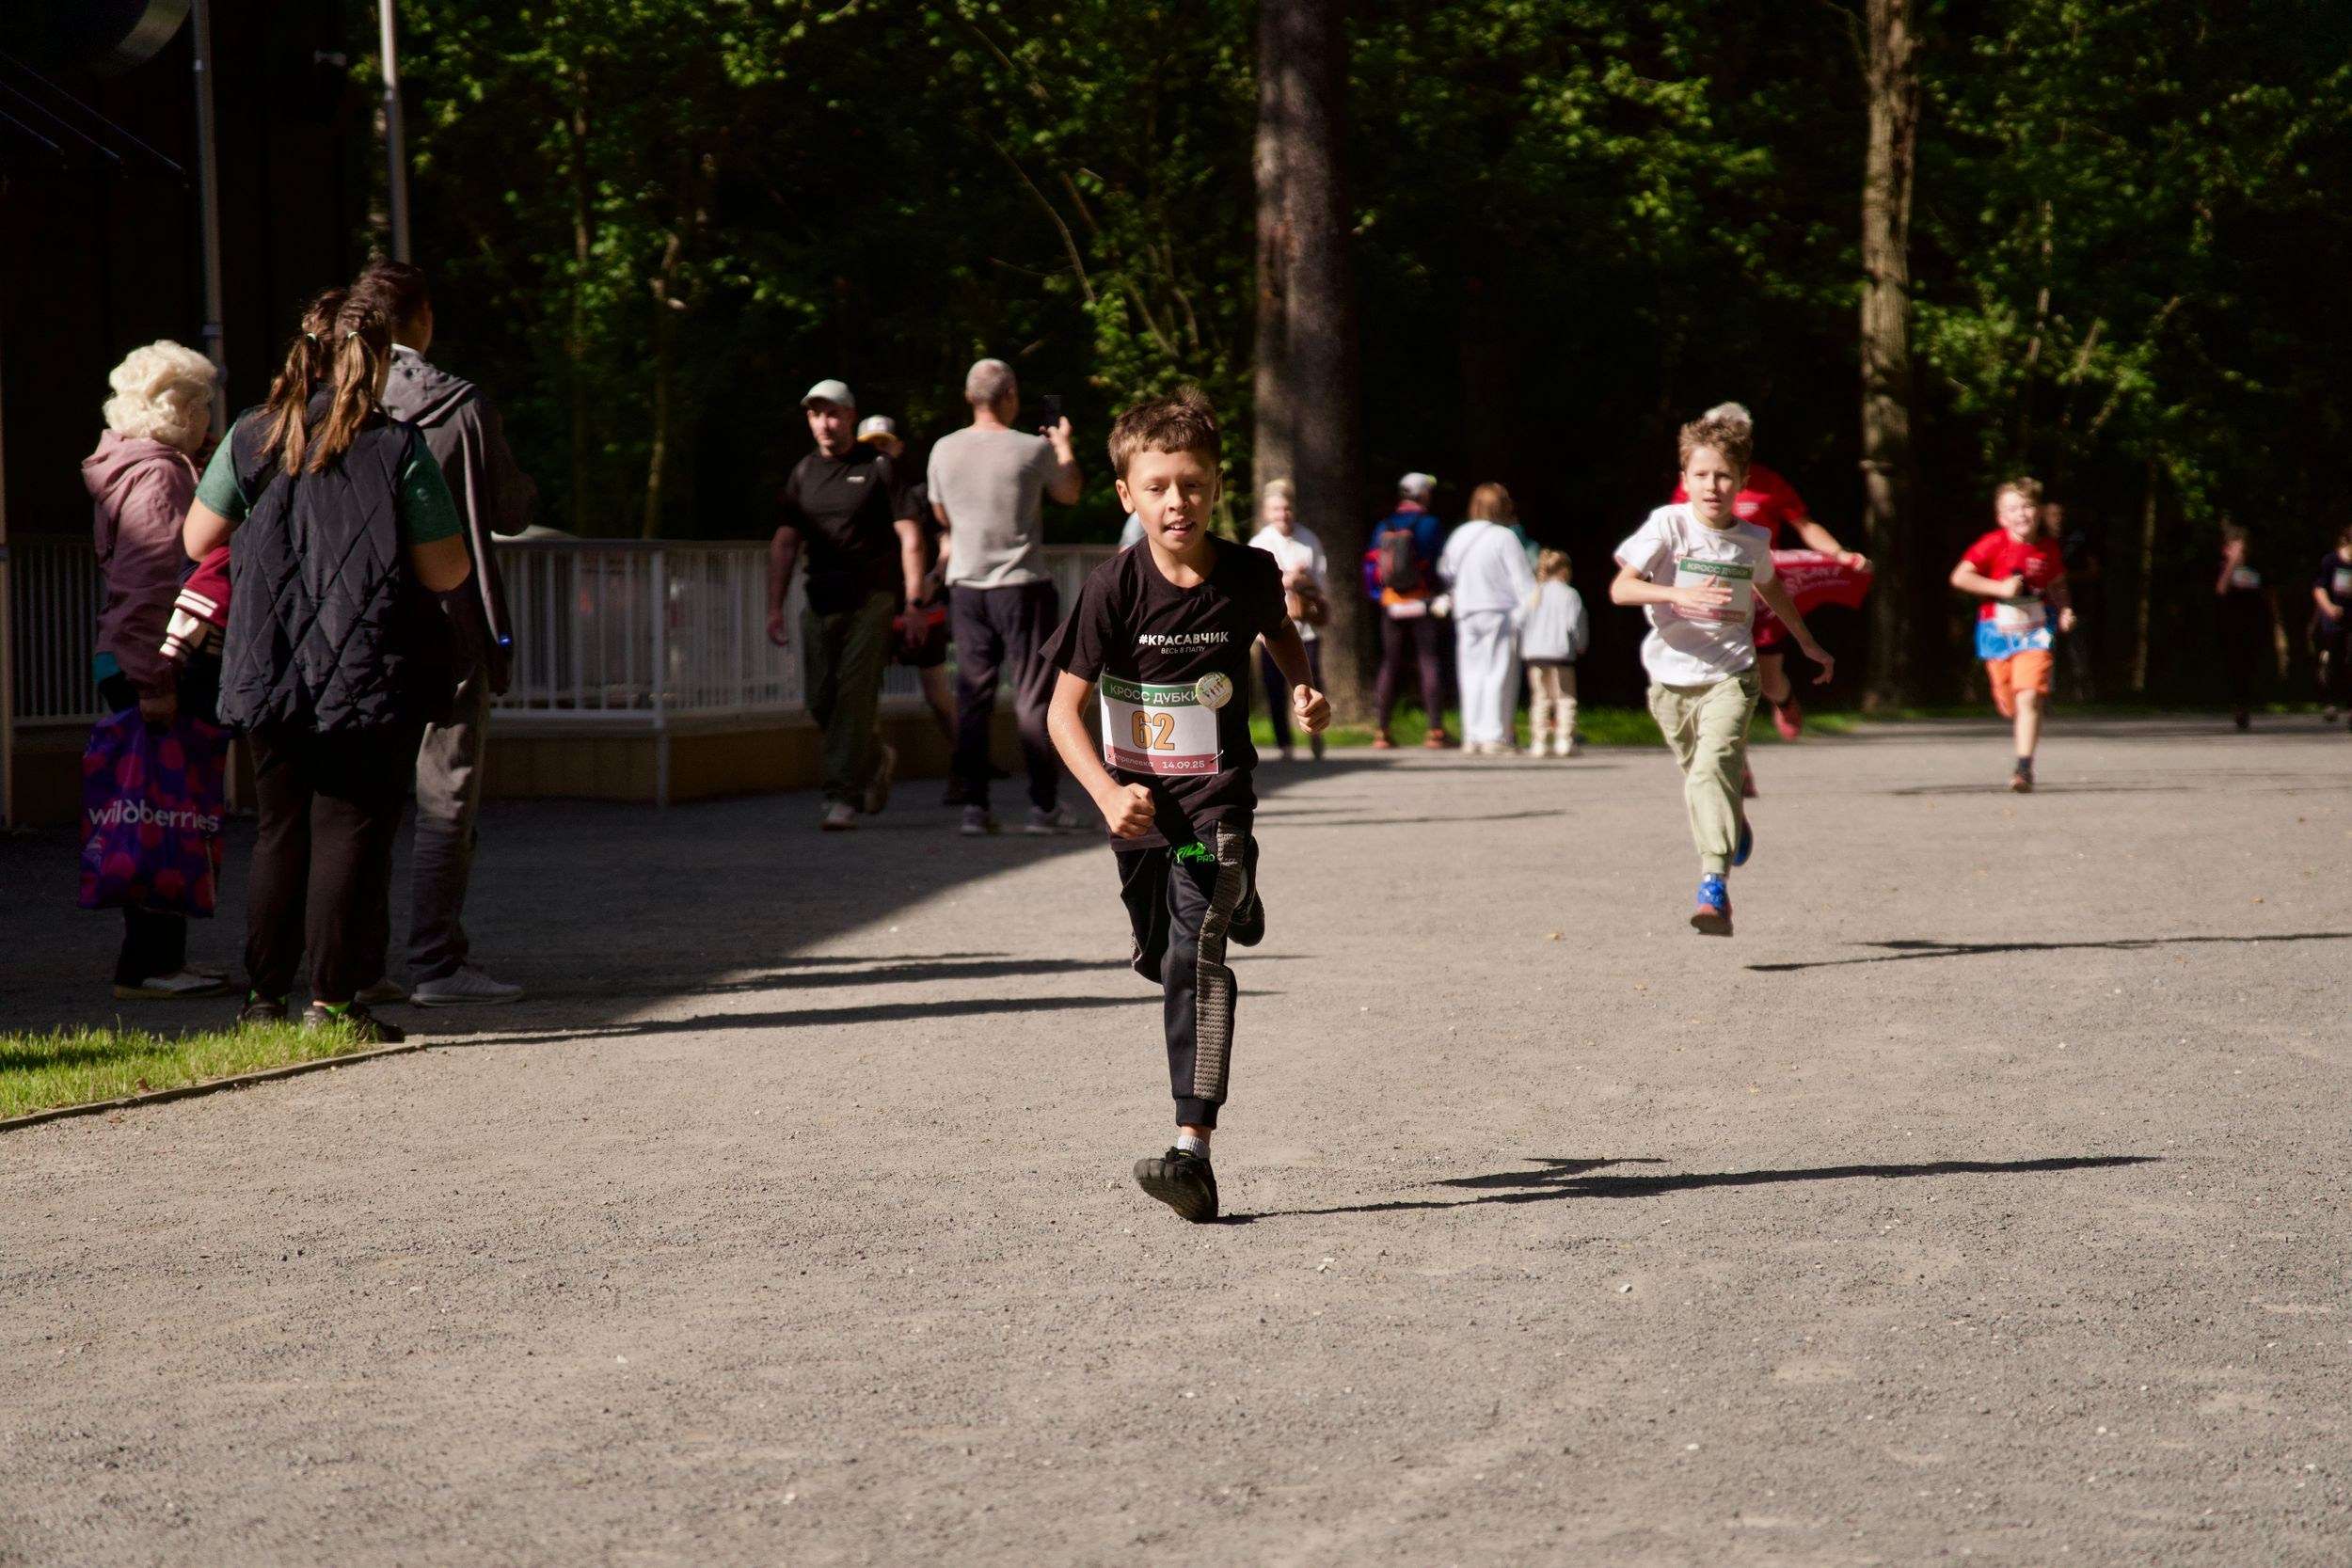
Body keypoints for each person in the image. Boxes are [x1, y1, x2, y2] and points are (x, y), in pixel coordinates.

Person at [1043, 388, 1328, 1224]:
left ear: (1216, 487)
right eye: (1159, 485)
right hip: (1140, 816)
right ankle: (1234, 893)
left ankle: (1191, 1150)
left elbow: (1277, 628)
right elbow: (1062, 711)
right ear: (1127, 493)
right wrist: (1105, 794)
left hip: (1214, 808)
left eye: (1194, 484)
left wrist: (1302, 685)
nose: (1178, 501)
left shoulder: (1248, 572)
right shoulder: (1113, 589)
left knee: (1192, 961)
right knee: (1155, 949)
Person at [183, 292, 474, 1044]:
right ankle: (334, 1002)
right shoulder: (397, 447)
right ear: (375, 358)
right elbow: (446, 572)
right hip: (368, 664)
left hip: (267, 659)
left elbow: (196, 537)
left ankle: (261, 1000)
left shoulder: (252, 433)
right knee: (349, 830)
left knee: (280, 831)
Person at [347, 258, 537, 1007]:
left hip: (350, 624)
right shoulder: (460, 406)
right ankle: (436, 960)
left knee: (356, 798)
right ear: (422, 315)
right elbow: (509, 509)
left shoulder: (332, 401)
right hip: (448, 619)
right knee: (444, 794)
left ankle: (352, 965)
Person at [1613, 412, 1833, 936]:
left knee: (1712, 770)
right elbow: (1621, 589)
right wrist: (1676, 594)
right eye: (1703, 475)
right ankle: (1732, 825)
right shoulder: (1667, 524)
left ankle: (1714, 887)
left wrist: (1806, 641)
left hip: (1732, 674)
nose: (1714, 486)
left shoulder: (1753, 539)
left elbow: (1771, 586)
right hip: (1669, 681)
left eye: (1725, 476)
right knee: (1701, 778)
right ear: (1685, 478)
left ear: (1743, 480)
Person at [83, 339, 230, 1000]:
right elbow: (151, 584)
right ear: (181, 411)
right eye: (202, 405)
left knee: (149, 802)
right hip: (153, 658)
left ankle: (157, 956)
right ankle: (150, 962)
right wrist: (157, 681)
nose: (210, 419)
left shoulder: (125, 465)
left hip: (123, 652)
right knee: (163, 806)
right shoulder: (163, 474)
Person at [928, 357, 1083, 836]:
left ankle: (975, 806)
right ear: (1011, 395)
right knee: (1033, 698)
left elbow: (941, 513)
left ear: (969, 398)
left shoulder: (942, 450)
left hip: (967, 587)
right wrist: (1064, 448)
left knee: (973, 696)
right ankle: (1044, 807)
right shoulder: (1032, 449)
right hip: (1022, 587)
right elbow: (1070, 493)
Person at [765, 379, 926, 831]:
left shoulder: (877, 467)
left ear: (851, 417)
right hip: (819, 600)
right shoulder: (802, 473)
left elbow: (910, 535)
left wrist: (913, 601)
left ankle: (842, 797)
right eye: (816, 414)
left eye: (833, 414)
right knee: (820, 699)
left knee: (855, 698)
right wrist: (774, 607)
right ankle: (874, 757)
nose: (825, 423)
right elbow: (784, 543)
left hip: (870, 601)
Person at [1668, 403, 1867, 739]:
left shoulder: (1768, 483)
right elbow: (1677, 530)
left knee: (1768, 677)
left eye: (1737, 437)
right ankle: (1733, 754)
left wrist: (1839, 554)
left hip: (1763, 589)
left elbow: (1805, 525)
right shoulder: (1697, 481)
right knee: (1722, 673)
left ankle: (1784, 700)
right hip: (1716, 587)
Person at [857, 415, 961, 796]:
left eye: (884, 444)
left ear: (899, 448)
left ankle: (965, 766)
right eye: (870, 445)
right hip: (872, 607)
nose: (878, 452)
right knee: (860, 692)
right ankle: (872, 763)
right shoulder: (855, 493)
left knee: (937, 694)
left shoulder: (917, 493)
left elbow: (949, 540)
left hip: (922, 607)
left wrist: (932, 581)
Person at [1948, 477, 2074, 794]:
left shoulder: (2048, 549)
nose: (2022, 514)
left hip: (2035, 632)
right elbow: (1960, 576)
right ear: (2001, 517)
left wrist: (2064, 610)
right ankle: (2015, 713)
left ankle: (2023, 768)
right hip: (1996, 632)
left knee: (2029, 695)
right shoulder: (1992, 544)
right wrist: (1999, 588)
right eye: (2013, 509)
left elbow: (2058, 584)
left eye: (2028, 506)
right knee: (2010, 701)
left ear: (2039, 512)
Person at [1437, 483, 1537, 754]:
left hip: (1467, 611)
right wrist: (1526, 615)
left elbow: (1445, 570)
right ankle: (1494, 735)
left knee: (1470, 674)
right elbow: (1524, 583)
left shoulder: (1460, 535)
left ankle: (1472, 735)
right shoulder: (1504, 537)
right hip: (1500, 612)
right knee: (1499, 673)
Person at [1247, 478, 1329, 761]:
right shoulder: (1260, 543)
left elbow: (1322, 581)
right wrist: (1285, 577)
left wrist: (1305, 580)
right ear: (1267, 512)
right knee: (1275, 688)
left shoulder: (1308, 539)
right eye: (1277, 509)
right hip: (1271, 630)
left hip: (1305, 627)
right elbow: (1253, 585)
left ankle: (1315, 732)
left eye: (1288, 508)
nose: (1284, 514)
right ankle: (1284, 743)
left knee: (1310, 683)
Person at [1368, 471, 1449, 749]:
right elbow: (1443, 566)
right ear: (1424, 494)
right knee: (1428, 661)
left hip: (1391, 603)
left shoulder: (1383, 525)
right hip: (1422, 601)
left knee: (1389, 664)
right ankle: (1435, 732)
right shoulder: (1430, 525)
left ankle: (1382, 732)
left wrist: (1380, 595)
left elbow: (1371, 566)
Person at [2215, 520, 2283, 731]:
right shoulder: (2222, 568)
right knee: (2233, 666)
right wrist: (2232, 564)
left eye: (2243, 547)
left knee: (2249, 666)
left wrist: (2277, 623)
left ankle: (2244, 705)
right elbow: (2221, 589)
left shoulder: (2257, 568)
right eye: (2236, 547)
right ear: (2226, 549)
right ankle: (2237, 703)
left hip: (2254, 625)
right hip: (2230, 626)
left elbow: (2271, 594)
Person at [1519, 548, 1588, 757]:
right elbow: (1576, 624)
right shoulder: (1570, 594)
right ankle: (1564, 740)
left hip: (1534, 653)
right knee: (1565, 697)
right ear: (1564, 570)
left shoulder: (1532, 594)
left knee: (1540, 698)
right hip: (1560, 653)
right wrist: (1580, 644)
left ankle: (1539, 741)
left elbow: (1521, 622)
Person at [2053, 502, 2101, 701]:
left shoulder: (2079, 539)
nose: (2058, 518)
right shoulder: (2037, 541)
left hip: (2077, 604)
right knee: (2046, 650)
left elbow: (2094, 570)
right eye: (2053, 514)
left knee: (2078, 649)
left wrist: (2066, 577)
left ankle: (2082, 692)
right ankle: (2047, 693)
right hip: (2044, 607)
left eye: (2061, 513)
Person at [2309, 523, 2352, 725]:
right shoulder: (2331, 561)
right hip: (2335, 620)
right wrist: (2329, 608)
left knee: (2350, 660)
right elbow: (2319, 588)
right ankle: (2331, 701)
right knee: (2335, 661)